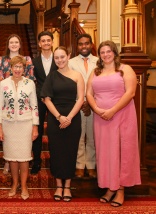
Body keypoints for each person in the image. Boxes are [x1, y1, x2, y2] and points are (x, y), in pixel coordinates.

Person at [86, 40, 141, 207]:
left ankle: (120, 190)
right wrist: (96, 108)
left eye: (108, 51)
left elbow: (130, 92)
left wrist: (112, 110)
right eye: (102, 52)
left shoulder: (125, 69)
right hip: (101, 118)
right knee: (105, 153)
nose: (105, 55)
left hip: (122, 115)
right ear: (99, 55)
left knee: (121, 152)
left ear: (114, 53)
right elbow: (89, 93)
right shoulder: (95, 72)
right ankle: (109, 187)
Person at [41, 46, 84, 202]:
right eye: (57, 57)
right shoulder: (51, 76)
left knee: (71, 151)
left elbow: (80, 98)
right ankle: (59, 185)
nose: (59, 60)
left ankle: (68, 187)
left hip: (73, 117)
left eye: (62, 57)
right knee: (57, 151)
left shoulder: (77, 75)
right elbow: (46, 99)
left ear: (68, 56)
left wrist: (69, 117)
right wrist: (60, 117)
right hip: (55, 118)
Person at [0, 55, 39, 200]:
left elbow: (34, 106)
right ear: (11, 68)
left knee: (24, 157)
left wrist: (35, 127)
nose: (18, 69)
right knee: (12, 158)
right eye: (15, 66)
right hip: (8, 124)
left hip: (25, 123)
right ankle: (14, 184)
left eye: (20, 66)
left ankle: (24, 185)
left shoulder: (30, 83)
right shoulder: (4, 84)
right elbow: (0, 106)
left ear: (24, 69)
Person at [0, 34, 35, 174]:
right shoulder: (2, 59)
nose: (14, 44)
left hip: (23, 98)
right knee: (8, 140)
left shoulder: (27, 59)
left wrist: (19, 90)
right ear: (8, 44)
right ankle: (8, 161)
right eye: (11, 42)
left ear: (20, 44)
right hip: (7, 97)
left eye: (16, 42)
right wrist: (7, 89)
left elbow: (29, 78)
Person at [68, 33, 98, 178]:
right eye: (81, 44)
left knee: (92, 135)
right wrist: (81, 102)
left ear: (91, 45)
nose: (84, 46)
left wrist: (91, 103)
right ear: (77, 46)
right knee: (79, 135)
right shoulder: (71, 62)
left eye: (86, 43)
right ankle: (79, 165)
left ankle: (91, 164)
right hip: (76, 104)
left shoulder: (99, 62)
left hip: (96, 104)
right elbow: (69, 84)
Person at [31, 31, 57, 175]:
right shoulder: (34, 62)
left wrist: (51, 96)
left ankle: (55, 162)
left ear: (52, 42)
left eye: (49, 40)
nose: (46, 43)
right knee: (37, 132)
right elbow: (32, 82)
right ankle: (36, 162)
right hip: (39, 100)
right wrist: (42, 95)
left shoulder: (59, 60)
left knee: (54, 131)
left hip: (56, 100)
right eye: (43, 41)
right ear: (40, 44)